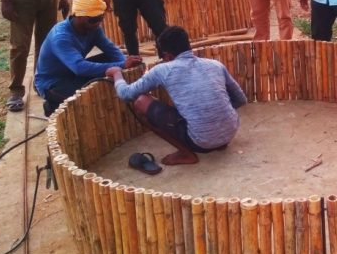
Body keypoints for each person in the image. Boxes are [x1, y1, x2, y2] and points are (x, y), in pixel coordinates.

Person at [106, 26, 248, 165]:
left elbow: (126, 94)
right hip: (230, 132)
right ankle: (219, 141)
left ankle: (186, 153)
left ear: (167, 55)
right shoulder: (215, 64)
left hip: (201, 143)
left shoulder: (164, 69)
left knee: (141, 102)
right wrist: (215, 113)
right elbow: (241, 99)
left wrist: (117, 73)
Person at [35, 0, 142, 116]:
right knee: (92, 91)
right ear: (78, 16)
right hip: (54, 82)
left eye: (100, 18)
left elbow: (111, 50)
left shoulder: (94, 28)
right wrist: (121, 66)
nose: (97, 24)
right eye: (92, 20)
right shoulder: (61, 37)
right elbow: (79, 67)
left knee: (110, 63)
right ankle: (52, 104)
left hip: (74, 72)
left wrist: (125, 64)